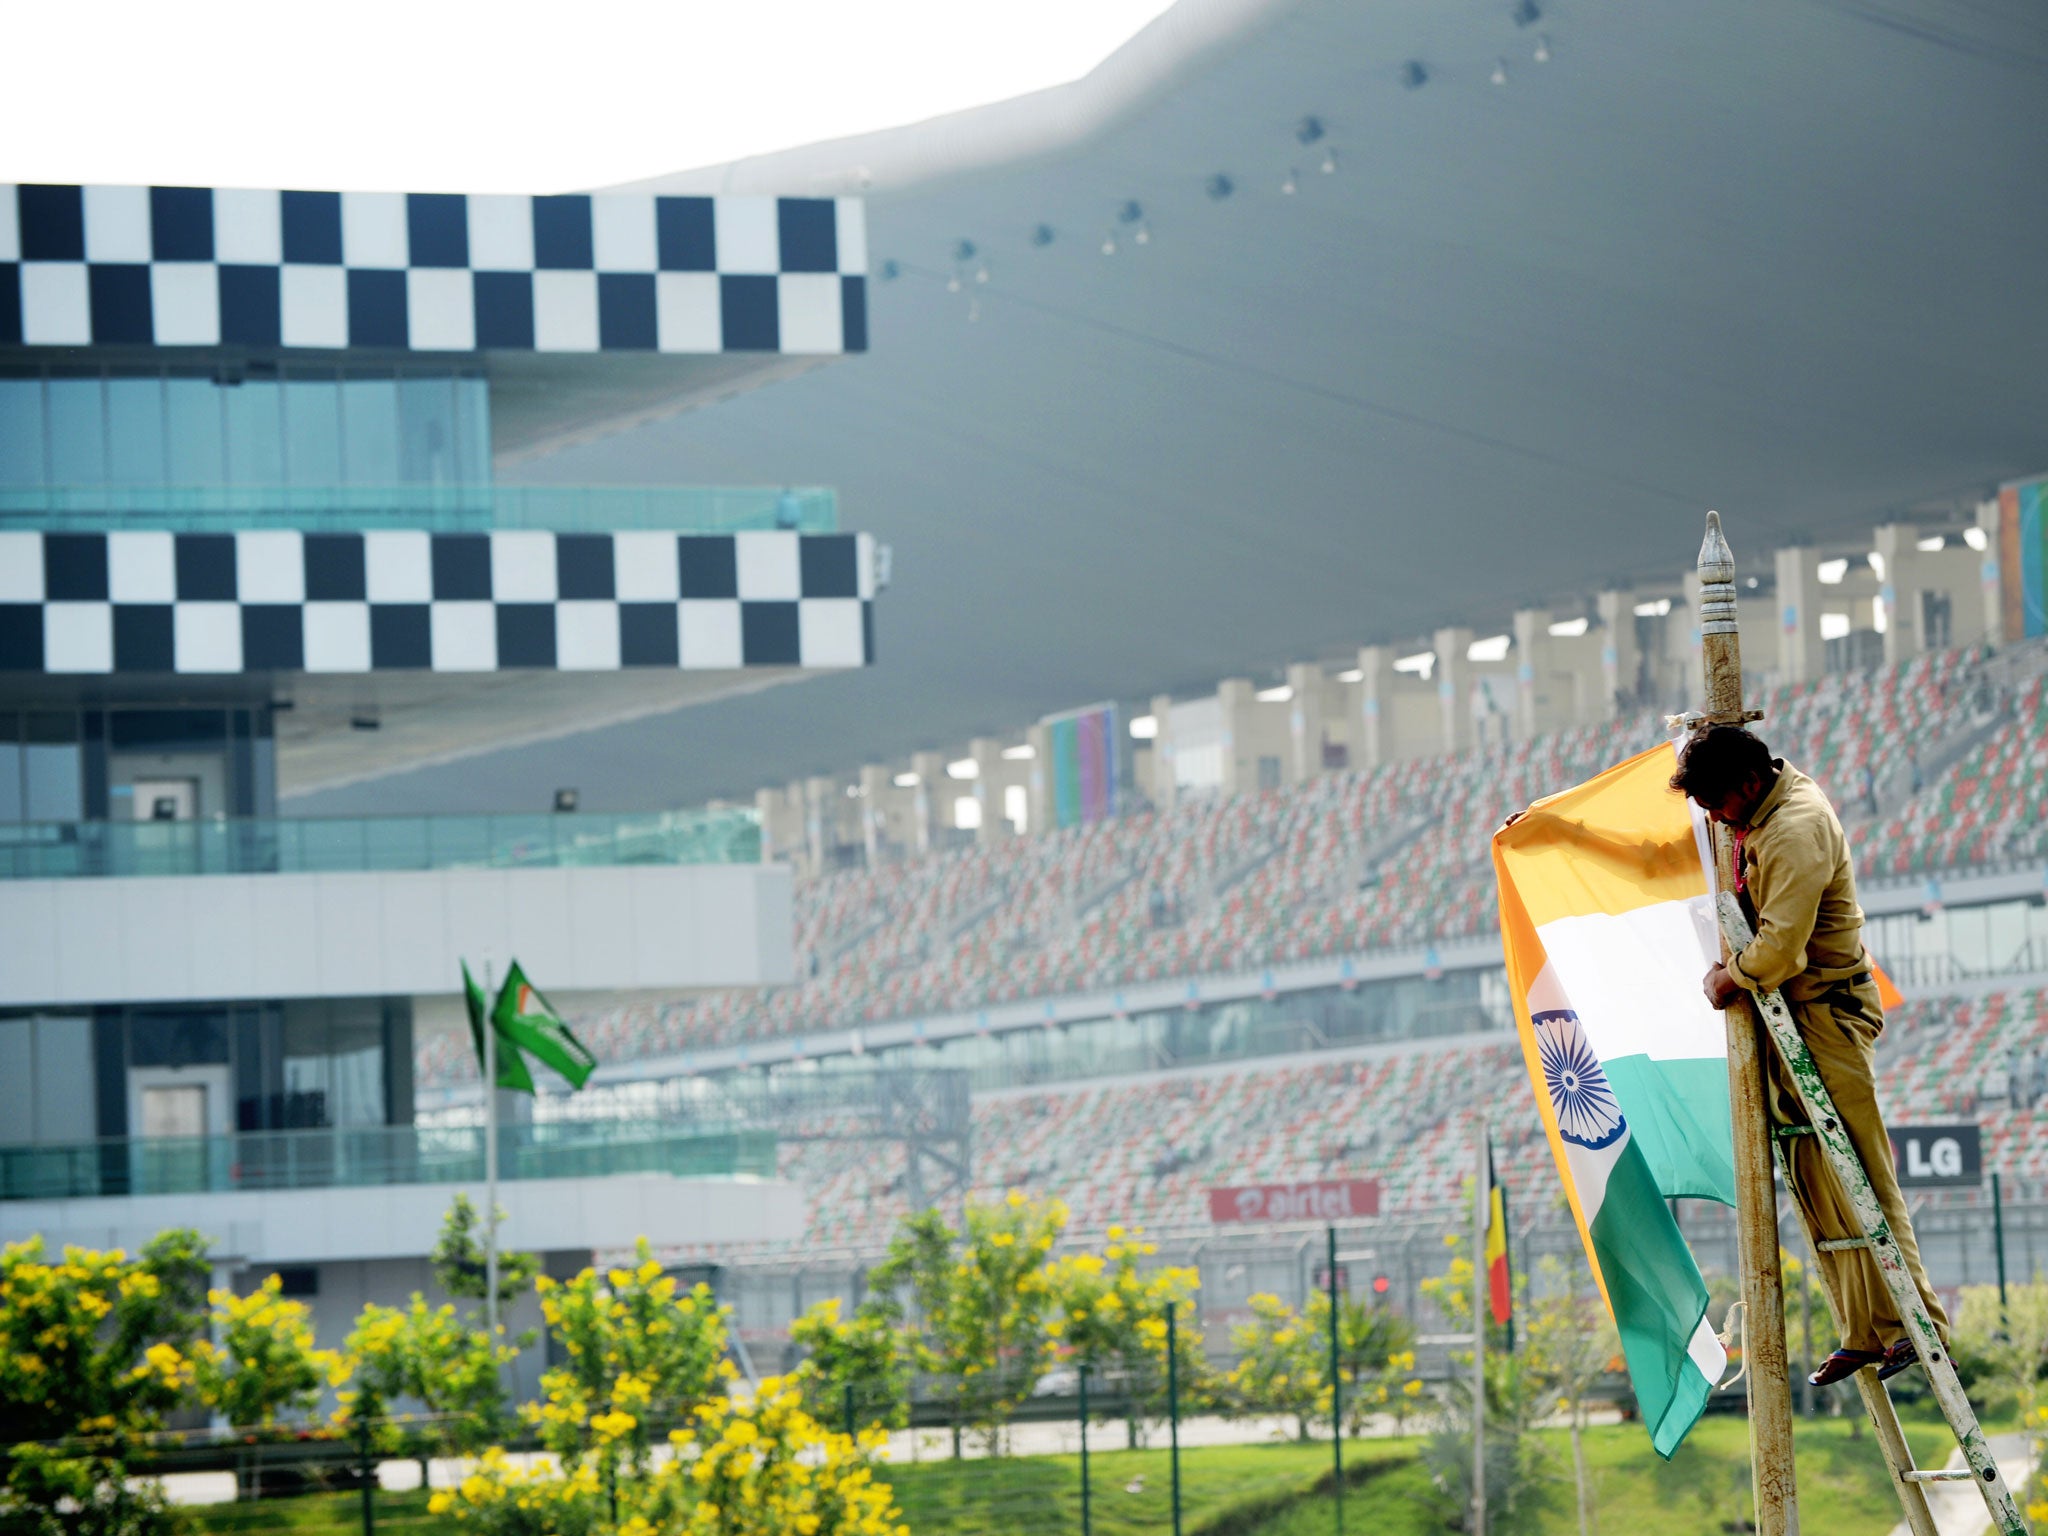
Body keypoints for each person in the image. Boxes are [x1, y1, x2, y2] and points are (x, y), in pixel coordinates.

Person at [1671, 725, 1948, 1387]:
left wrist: (1727, 977)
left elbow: (1779, 951)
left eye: (1716, 803)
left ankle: (1920, 1327)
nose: (1713, 819)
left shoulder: (1792, 829)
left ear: (1747, 784)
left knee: (1864, 1175)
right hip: (1794, 1017)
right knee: (1818, 1175)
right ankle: (1864, 1329)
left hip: (1825, 1013)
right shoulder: (1759, 808)